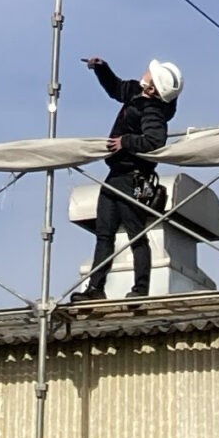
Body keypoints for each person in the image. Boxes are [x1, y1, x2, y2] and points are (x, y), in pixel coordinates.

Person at [71, 56, 182, 301]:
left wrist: (126, 141)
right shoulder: (135, 93)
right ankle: (95, 289)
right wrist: (102, 69)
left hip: (133, 177)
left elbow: (154, 141)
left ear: (153, 87)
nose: (146, 72)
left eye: (151, 74)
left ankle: (140, 289)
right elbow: (116, 88)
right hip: (116, 175)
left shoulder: (153, 110)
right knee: (104, 234)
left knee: (136, 234)